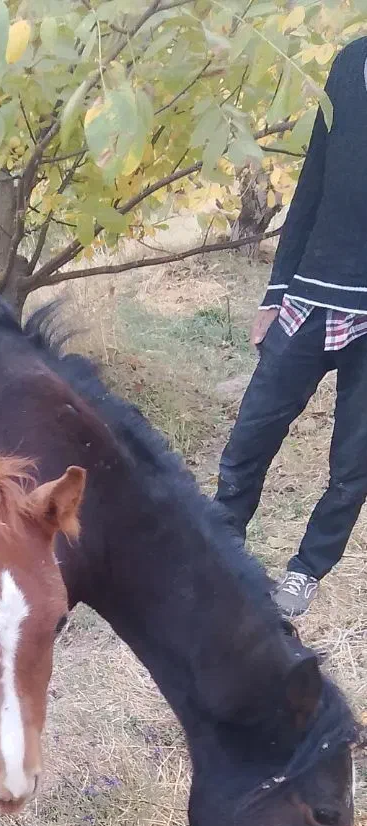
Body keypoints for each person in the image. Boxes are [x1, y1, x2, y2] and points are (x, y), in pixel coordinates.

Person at [215, 35, 367, 618]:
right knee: (250, 437)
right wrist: (276, 292)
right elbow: (313, 180)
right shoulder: (350, 62)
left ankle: (305, 572)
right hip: (310, 294)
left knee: (354, 467)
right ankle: (221, 548)